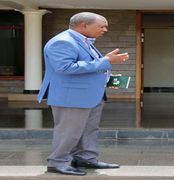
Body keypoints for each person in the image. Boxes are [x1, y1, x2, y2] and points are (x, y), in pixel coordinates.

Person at [37, 12, 129, 176]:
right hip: (71, 97)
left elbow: (89, 67)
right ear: (83, 25)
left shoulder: (83, 41)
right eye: (101, 26)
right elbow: (65, 68)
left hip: (89, 96)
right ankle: (57, 163)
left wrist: (107, 79)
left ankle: (86, 159)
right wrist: (106, 61)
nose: (105, 29)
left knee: (89, 130)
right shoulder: (62, 42)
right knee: (69, 132)